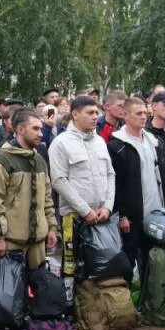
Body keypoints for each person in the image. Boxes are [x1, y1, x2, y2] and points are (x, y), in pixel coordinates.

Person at [0, 110, 58, 271]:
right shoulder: (2, 160)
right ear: (20, 130)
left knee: (37, 290)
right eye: (35, 129)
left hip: (38, 242)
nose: (40, 133)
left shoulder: (39, 160)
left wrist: (52, 228)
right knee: (11, 292)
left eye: (41, 129)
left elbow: (47, 198)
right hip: (12, 241)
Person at [109, 97, 165, 278]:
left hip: (155, 210)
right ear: (125, 115)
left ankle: (149, 300)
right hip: (132, 216)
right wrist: (122, 214)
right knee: (129, 258)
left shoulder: (151, 140)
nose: (143, 117)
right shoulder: (117, 145)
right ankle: (126, 301)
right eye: (138, 113)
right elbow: (116, 183)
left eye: (145, 113)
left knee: (153, 260)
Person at [50, 94, 116, 234]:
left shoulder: (100, 141)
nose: (95, 117)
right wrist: (85, 211)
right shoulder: (61, 143)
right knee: (75, 257)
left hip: (102, 216)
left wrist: (108, 207)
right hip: (75, 217)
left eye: (96, 113)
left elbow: (110, 174)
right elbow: (59, 181)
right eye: (90, 113)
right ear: (75, 114)